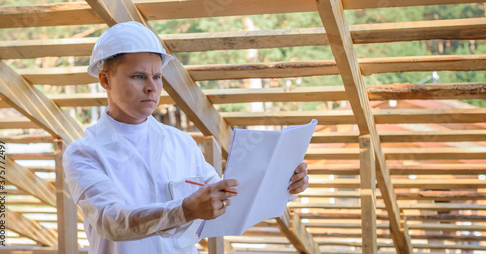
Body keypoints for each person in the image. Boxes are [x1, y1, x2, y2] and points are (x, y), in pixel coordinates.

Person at [63, 21, 309, 254]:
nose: (152, 87)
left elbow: (227, 200)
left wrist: (283, 183)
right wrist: (185, 210)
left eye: (157, 77)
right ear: (105, 80)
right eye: (138, 76)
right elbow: (111, 221)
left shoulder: (181, 143)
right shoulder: (84, 153)